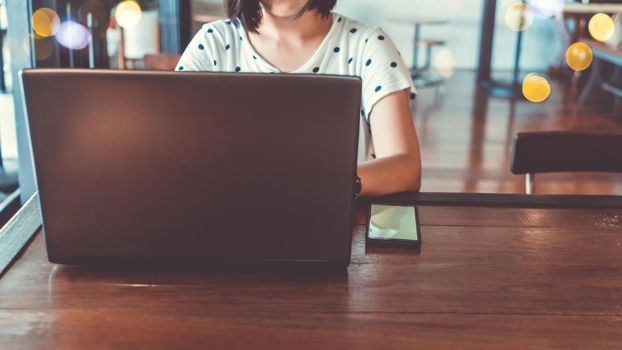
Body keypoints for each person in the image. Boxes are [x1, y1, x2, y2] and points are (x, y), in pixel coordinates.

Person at [176, 0, 422, 197]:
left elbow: (405, 167)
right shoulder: (212, 43)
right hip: (224, 222)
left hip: (332, 227)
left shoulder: (367, 45)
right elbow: (174, 155)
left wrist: (325, 187)